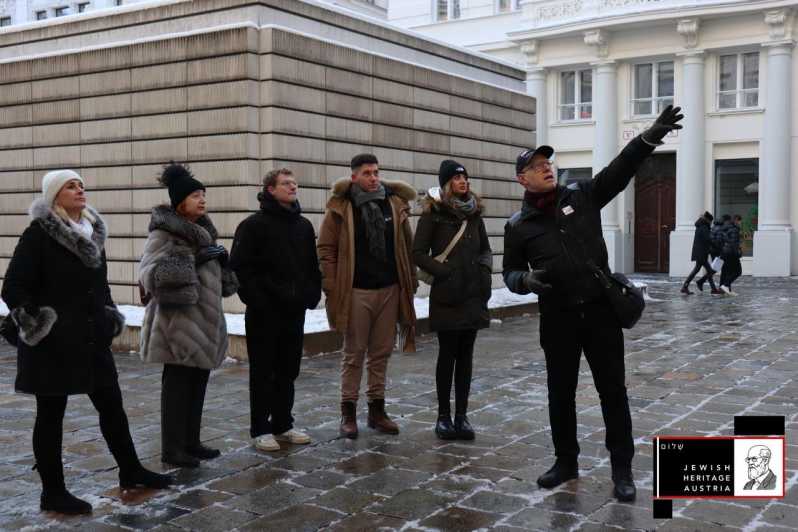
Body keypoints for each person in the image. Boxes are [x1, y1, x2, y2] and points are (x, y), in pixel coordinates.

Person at [503, 106, 684, 502]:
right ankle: (566, 461)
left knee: (612, 392)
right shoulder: (518, 226)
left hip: (600, 311)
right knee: (560, 394)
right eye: (536, 166)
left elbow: (620, 170)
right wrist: (525, 280)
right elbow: (509, 272)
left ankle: (622, 468)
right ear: (523, 179)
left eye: (547, 162)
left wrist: (649, 137)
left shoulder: (583, 196)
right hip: (558, 317)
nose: (546, 168)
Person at [2, 170, 172, 515]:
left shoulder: (92, 231)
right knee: (50, 415)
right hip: (52, 343)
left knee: (112, 405)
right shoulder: (39, 234)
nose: (80, 189)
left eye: (81, 184)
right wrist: (40, 327)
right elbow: (14, 287)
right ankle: (53, 492)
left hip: (91, 337)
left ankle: (131, 470)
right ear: (54, 196)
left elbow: (100, 285)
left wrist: (109, 314)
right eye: (70, 185)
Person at [139, 163, 238, 468]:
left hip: (203, 323)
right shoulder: (164, 233)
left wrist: (223, 262)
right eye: (196, 195)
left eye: (203, 194)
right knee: (177, 389)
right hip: (176, 325)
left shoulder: (204, 233)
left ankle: (191, 442)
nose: (202, 200)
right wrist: (193, 260)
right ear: (180, 201)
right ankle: (172, 449)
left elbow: (224, 286)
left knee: (197, 384)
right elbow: (149, 275)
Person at [318, 153, 418, 439]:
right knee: (354, 353)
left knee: (381, 353)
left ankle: (377, 410)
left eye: (375, 172)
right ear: (354, 177)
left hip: (389, 289)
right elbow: (326, 249)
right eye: (366, 173)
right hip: (356, 290)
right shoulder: (341, 207)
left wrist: (409, 280)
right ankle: (348, 412)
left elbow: (406, 247)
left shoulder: (394, 204)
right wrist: (333, 286)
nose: (373, 177)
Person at [230, 168, 322, 452]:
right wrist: (261, 300)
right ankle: (260, 428)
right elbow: (241, 270)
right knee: (263, 371)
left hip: (294, 312)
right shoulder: (252, 225)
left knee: (288, 370)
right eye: (286, 183)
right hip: (264, 314)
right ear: (271, 189)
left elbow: (311, 266)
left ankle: (283, 424)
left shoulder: (303, 225)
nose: (293, 186)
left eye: (294, 182)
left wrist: (311, 294)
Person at [413, 160, 492, 441]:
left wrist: (485, 276)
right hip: (447, 296)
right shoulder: (434, 214)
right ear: (447, 183)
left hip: (473, 295)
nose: (464, 182)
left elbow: (485, 250)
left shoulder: (474, 215)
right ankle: (443, 417)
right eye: (458, 178)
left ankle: (462, 416)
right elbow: (418, 252)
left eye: (466, 178)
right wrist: (444, 272)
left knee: (466, 357)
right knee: (447, 356)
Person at [680, 211, 717, 295]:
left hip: (700, 252)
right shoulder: (704, 227)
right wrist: (715, 244)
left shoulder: (701, 225)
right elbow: (708, 239)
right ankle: (702, 284)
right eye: (711, 221)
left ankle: (686, 286)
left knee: (701, 270)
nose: (711, 223)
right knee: (710, 271)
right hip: (701, 252)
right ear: (708, 220)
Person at [696, 217, 725, 295]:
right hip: (717, 251)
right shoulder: (720, 229)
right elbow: (718, 241)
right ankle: (701, 281)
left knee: (712, 269)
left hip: (712, 251)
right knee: (714, 269)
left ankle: (712, 288)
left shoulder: (712, 228)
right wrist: (722, 249)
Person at [719, 214, 743, 295]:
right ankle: (725, 285)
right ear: (736, 220)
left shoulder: (726, 228)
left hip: (725, 252)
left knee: (726, 271)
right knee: (738, 271)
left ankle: (724, 289)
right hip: (732, 253)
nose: (740, 223)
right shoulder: (734, 230)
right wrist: (738, 253)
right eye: (740, 221)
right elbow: (733, 243)